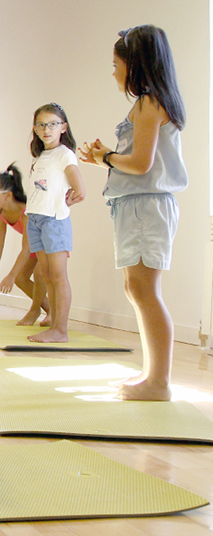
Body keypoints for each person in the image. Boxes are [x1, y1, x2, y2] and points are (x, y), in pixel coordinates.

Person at [79, 25, 187, 401]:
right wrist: (103, 158)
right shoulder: (147, 104)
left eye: (116, 65)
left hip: (147, 206)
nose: (113, 72)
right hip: (137, 205)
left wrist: (107, 156)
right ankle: (151, 374)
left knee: (143, 290)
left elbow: (141, 165)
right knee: (136, 289)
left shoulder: (148, 103)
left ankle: (159, 382)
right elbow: (138, 163)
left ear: (134, 65)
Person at [24, 103, 85, 343]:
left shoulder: (64, 154)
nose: (46, 129)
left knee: (58, 275)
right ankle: (53, 323)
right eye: (41, 124)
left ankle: (61, 330)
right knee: (47, 275)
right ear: (35, 129)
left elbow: (79, 188)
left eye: (52, 124)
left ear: (63, 127)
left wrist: (69, 199)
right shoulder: (41, 155)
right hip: (36, 219)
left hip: (54, 220)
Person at [0, 164, 50, 326]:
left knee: (39, 274)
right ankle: (51, 309)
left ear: (8, 195)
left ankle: (35, 310)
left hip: (49, 241)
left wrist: (10, 275)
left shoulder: (26, 212)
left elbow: (26, 248)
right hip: (36, 244)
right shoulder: (1, 214)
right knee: (21, 279)